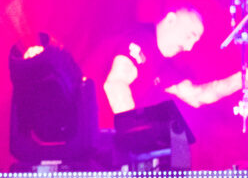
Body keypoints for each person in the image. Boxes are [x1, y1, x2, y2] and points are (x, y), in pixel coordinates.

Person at [102, 7, 241, 114]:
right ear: (170, 20)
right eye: (189, 36)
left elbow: (197, 96)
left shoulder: (163, 66)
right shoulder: (139, 37)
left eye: (195, 42)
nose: (189, 47)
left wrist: (241, 79)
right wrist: (133, 135)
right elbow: (116, 84)